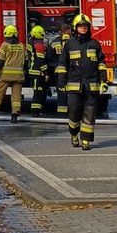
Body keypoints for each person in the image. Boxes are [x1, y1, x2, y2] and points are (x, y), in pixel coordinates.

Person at [55, 13, 107, 150]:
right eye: (80, 26)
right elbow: (62, 64)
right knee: (73, 112)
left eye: (85, 26)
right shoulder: (69, 45)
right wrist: (61, 82)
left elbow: (101, 63)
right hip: (74, 86)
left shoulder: (94, 44)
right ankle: (74, 134)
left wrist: (104, 80)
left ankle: (86, 140)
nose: (83, 28)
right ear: (75, 28)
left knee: (89, 114)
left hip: (91, 85)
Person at [0, 25, 26, 123]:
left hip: (6, 75)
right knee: (16, 96)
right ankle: (14, 116)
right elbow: (25, 60)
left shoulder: (5, 45)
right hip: (18, 75)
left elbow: (0, 60)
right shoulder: (22, 46)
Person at [47, 19, 71, 116]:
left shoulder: (54, 42)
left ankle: (62, 113)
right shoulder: (74, 42)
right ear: (69, 30)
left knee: (62, 91)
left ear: (60, 31)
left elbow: (49, 57)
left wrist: (50, 70)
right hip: (73, 71)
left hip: (59, 71)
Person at [27, 26, 47, 114]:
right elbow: (40, 59)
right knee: (38, 91)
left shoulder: (30, 43)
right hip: (38, 72)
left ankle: (38, 110)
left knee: (38, 91)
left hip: (32, 71)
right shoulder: (38, 44)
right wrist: (46, 72)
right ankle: (36, 111)